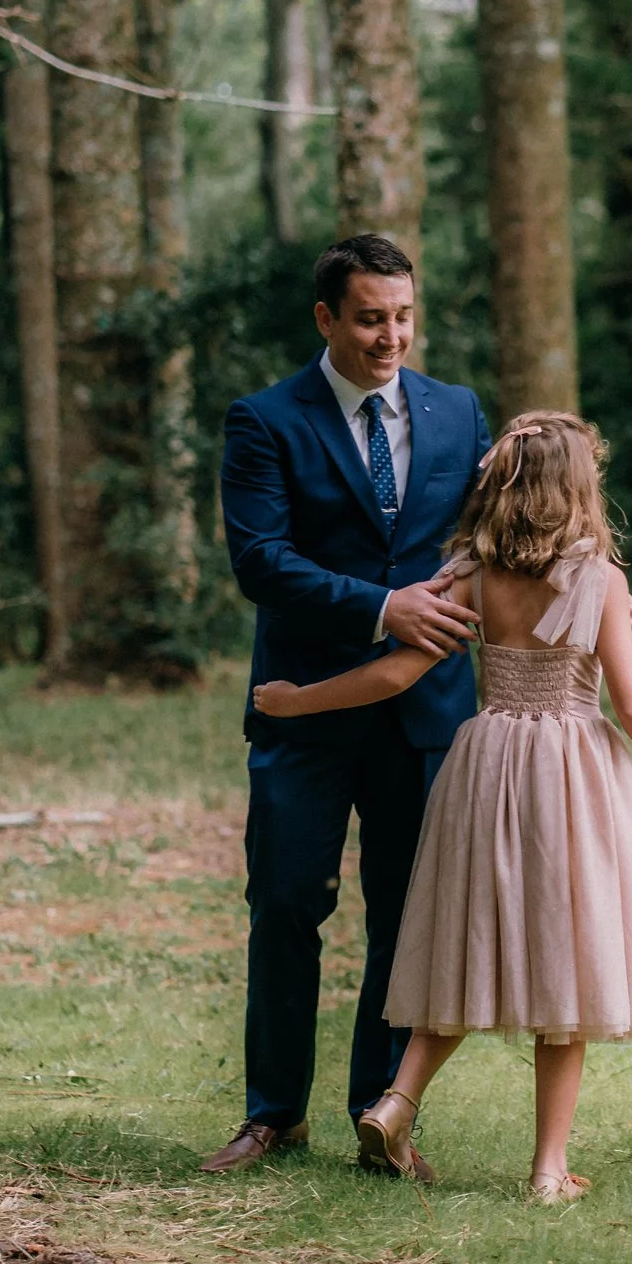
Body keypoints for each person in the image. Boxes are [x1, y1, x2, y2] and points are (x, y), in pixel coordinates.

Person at [251, 412, 632, 1204]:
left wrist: (297, 700)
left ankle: (396, 1102)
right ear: (580, 490)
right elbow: (630, 703)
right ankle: (548, 1169)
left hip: (487, 765)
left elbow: (393, 675)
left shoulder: (472, 576)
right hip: (569, 776)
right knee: (569, 961)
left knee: (469, 939)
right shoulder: (601, 582)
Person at [202, 235, 491, 1175]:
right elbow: (261, 560)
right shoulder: (264, 420)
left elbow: (503, 528)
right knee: (286, 903)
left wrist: (595, 582)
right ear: (326, 317)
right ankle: (273, 1114)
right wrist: (381, 607)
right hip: (305, 707)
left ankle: (381, 1118)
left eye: (402, 316)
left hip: (427, 711)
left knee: (406, 917)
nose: (390, 336)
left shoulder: (459, 412)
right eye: (370, 318)